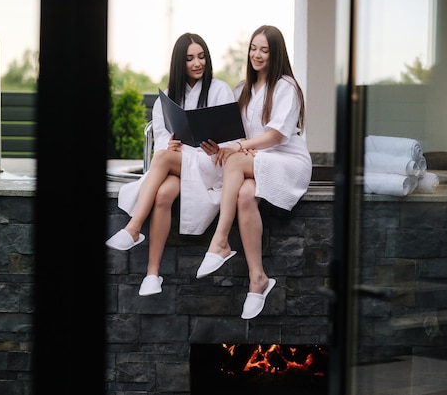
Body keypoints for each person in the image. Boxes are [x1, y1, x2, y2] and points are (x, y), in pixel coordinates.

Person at [106, 32, 238, 296]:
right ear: (180, 62)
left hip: (211, 164)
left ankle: (133, 228)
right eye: (190, 59)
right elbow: (163, 138)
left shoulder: (220, 89)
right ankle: (152, 274)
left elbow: (231, 133)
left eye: (201, 57)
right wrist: (171, 144)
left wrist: (217, 146)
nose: (197, 63)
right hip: (182, 164)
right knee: (164, 194)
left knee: (164, 158)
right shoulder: (167, 97)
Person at [197, 25, 312, 319]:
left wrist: (238, 147)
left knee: (234, 162)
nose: (257, 55)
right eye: (253, 48)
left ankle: (220, 241)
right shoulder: (241, 89)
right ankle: (258, 280)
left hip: (288, 160)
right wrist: (219, 146)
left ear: (276, 54)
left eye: (264, 50)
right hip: (256, 158)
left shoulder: (286, 86)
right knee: (245, 196)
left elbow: (275, 136)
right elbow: (237, 134)